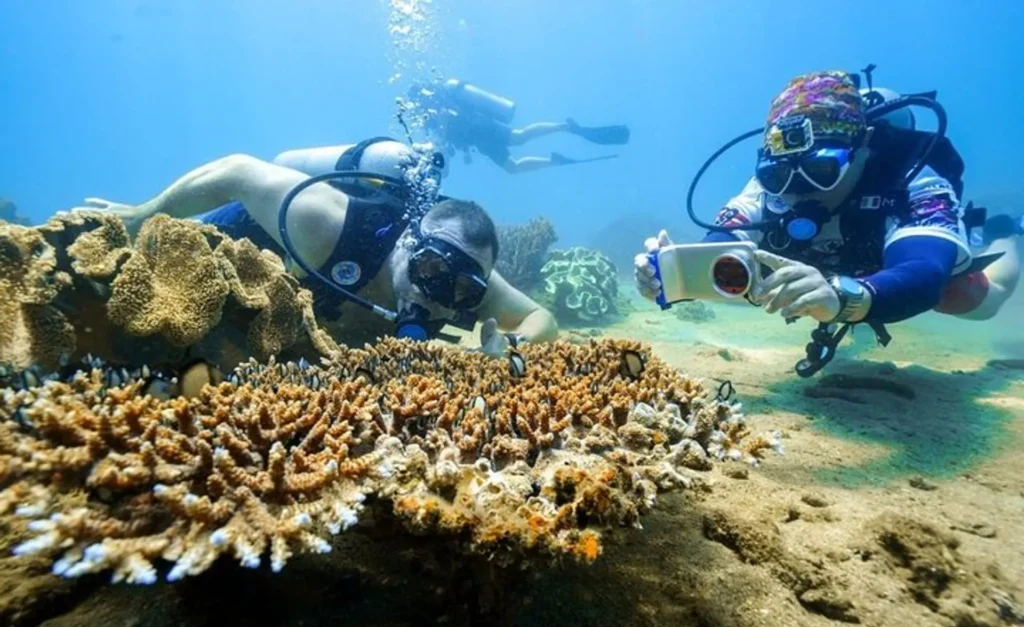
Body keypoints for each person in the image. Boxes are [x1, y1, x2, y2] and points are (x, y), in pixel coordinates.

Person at [67, 138, 558, 355]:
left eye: (462, 293)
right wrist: (142, 214)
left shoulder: (464, 276)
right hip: (247, 239)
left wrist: (510, 346)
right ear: (410, 243)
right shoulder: (326, 223)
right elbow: (238, 170)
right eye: (429, 269)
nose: (436, 297)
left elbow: (544, 320)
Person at [635, 70, 1020, 336]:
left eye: (818, 171)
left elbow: (924, 270)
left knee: (975, 301)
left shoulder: (911, 174)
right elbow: (719, 248)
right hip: (837, 276)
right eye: (778, 176)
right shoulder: (762, 187)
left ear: (862, 150)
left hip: (893, 262)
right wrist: (672, 274)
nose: (797, 189)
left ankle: (1006, 234)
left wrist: (844, 298)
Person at [408, 79, 630, 174]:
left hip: (480, 126)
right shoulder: (432, 114)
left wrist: (443, 132)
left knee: (518, 137)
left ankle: (564, 127)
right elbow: (445, 141)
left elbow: (449, 121)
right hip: (478, 140)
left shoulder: (439, 104)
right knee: (512, 167)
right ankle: (554, 160)